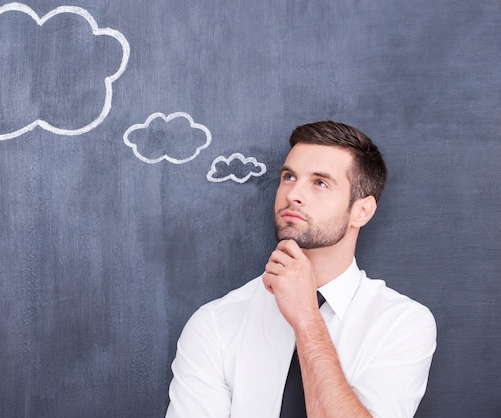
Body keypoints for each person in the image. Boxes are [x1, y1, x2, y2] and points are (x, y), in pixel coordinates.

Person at [166, 121, 437, 418]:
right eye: (289, 176)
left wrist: (307, 318)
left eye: (320, 182)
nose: (293, 194)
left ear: (362, 211)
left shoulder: (402, 323)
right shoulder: (215, 324)